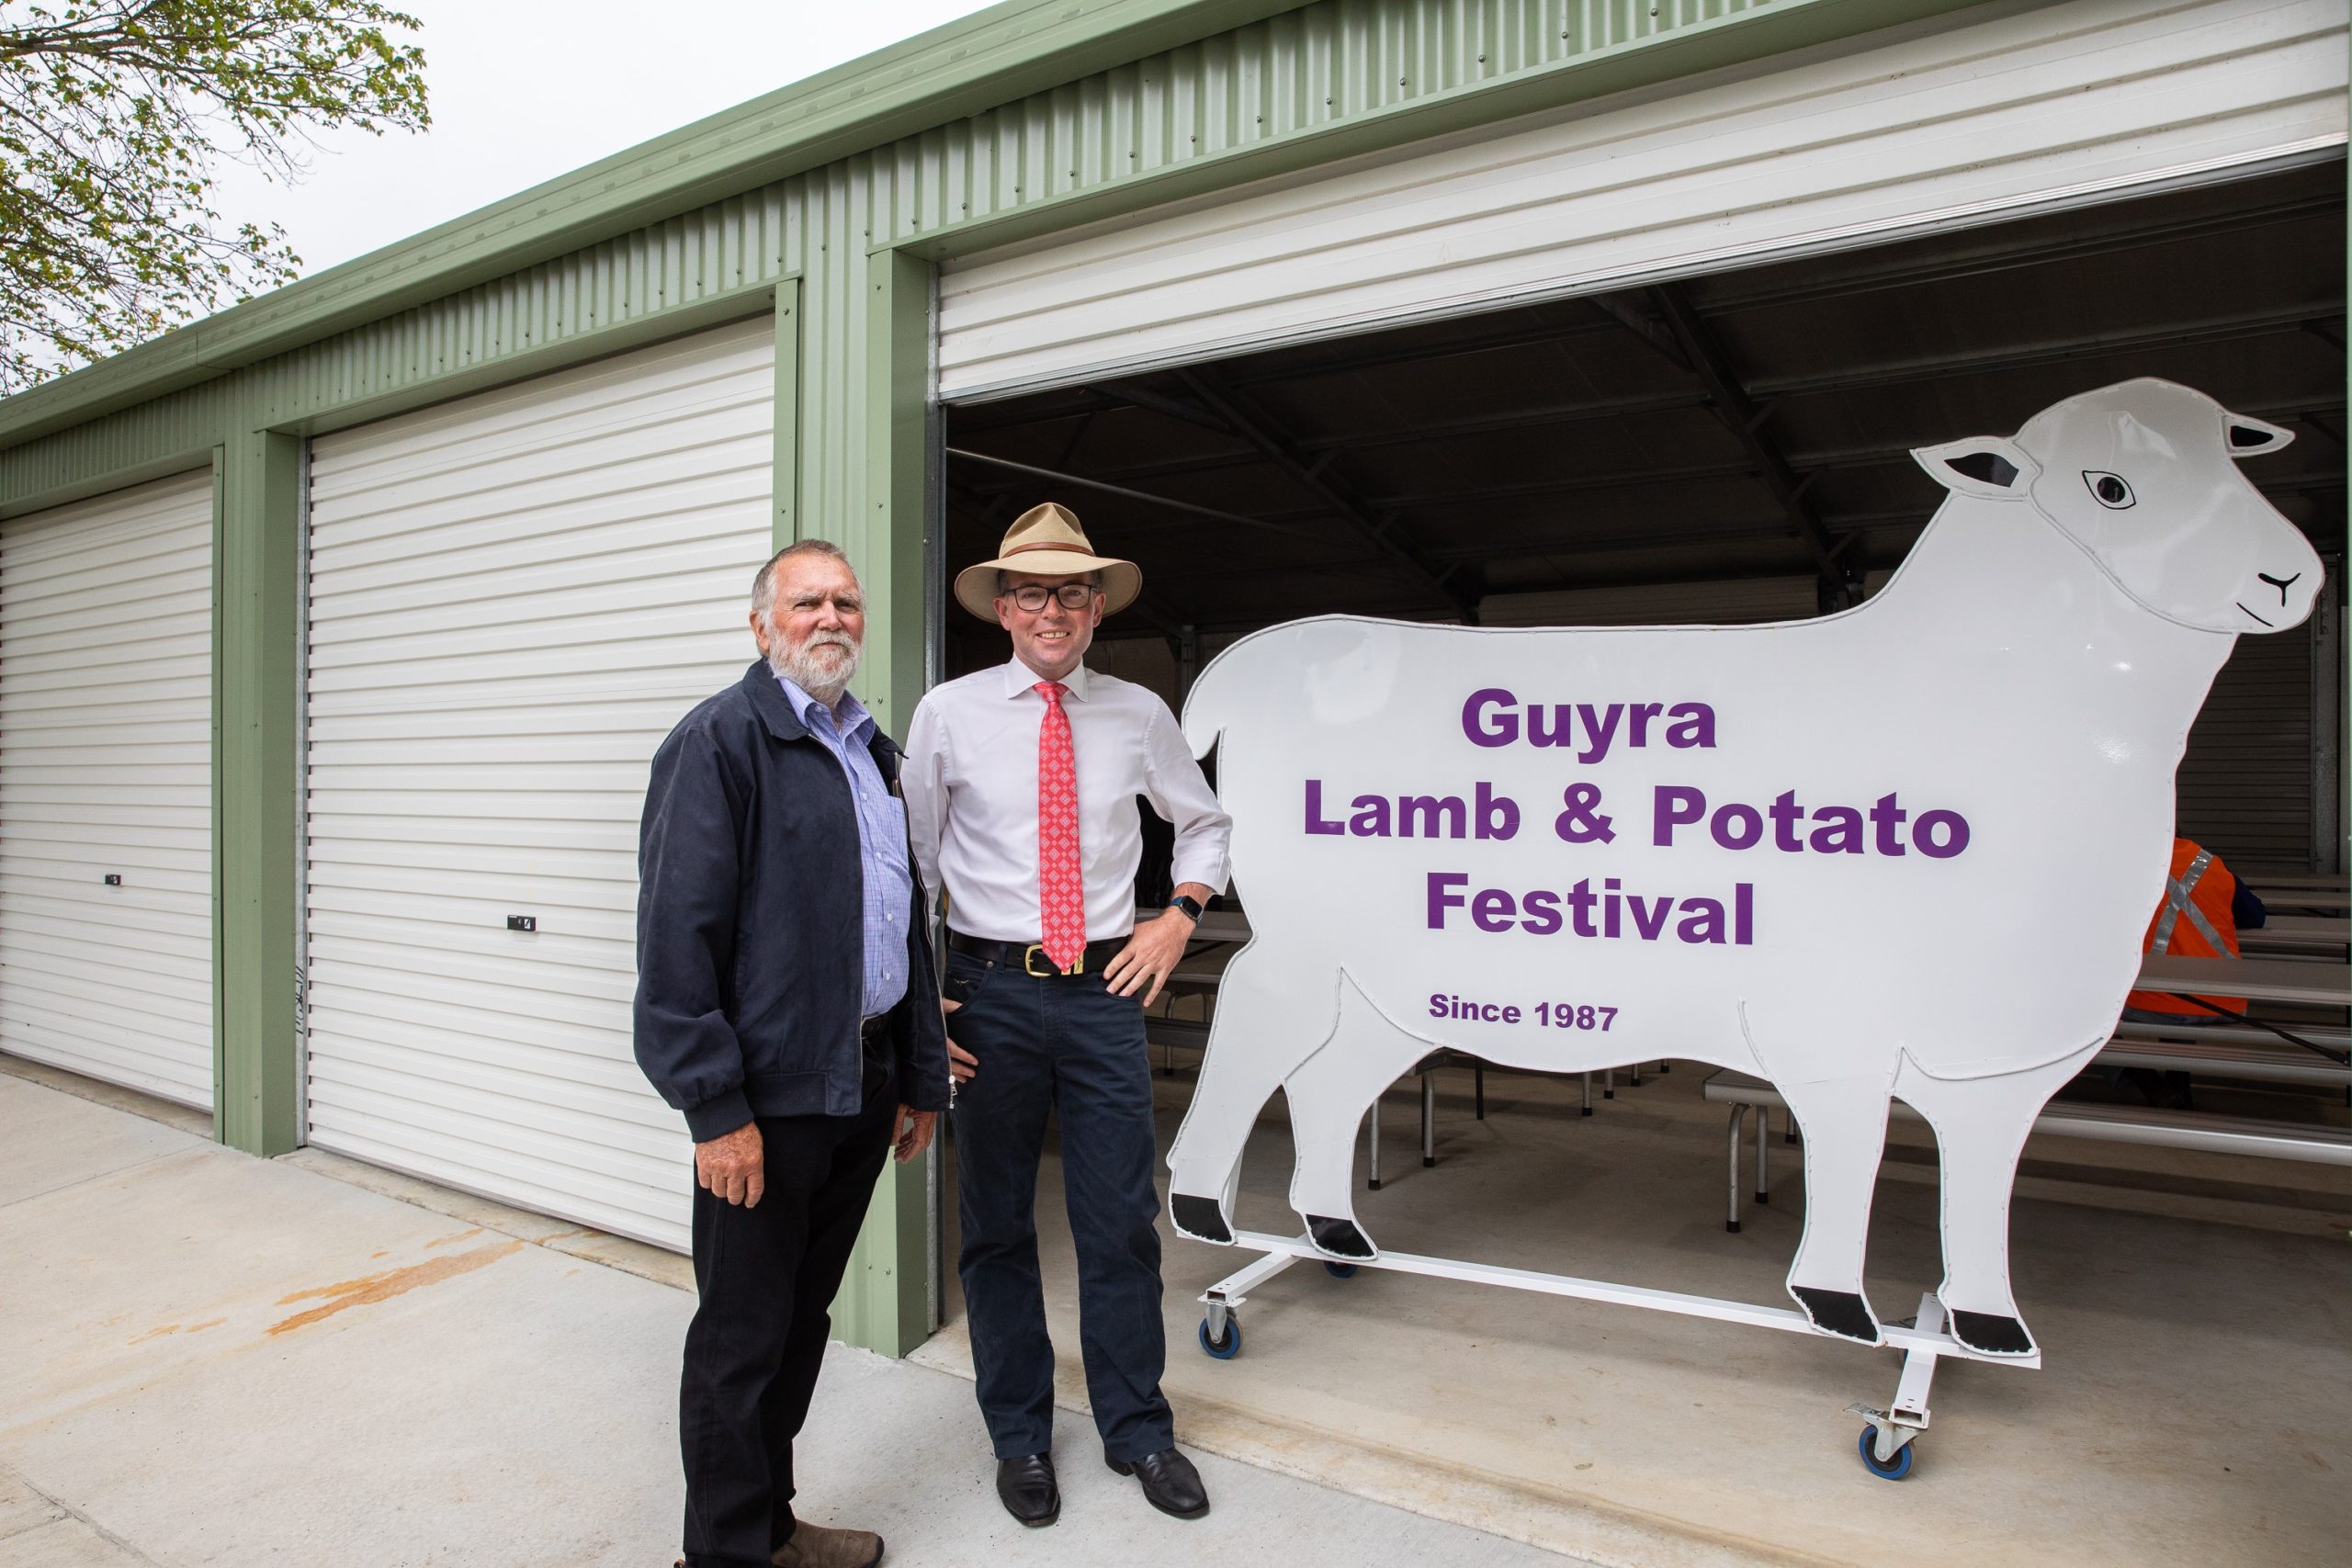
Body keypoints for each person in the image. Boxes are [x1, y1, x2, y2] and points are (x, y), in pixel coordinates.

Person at [902, 502, 1232, 1528]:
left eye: (1072, 592)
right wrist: (924, 1007)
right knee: (996, 1229)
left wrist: (1177, 918)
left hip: (1100, 995)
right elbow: (909, 868)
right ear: (1003, 608)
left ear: (1095, 609)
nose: (1054, 610)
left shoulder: (1137, 713)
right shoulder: (947, 713)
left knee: (1118, 1225)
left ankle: (1138, 1429)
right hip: (985, 993)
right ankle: (1019, 1435)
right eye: (1033, 592)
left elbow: (1205, 823)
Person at [635, 539, 948, 1568]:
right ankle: (723, 1555)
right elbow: (677, 944)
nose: (831, 619)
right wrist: (714, 1110)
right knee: (739, 1342)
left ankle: (770, 1528)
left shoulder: (872, 749)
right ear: (762, 625)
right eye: (807, 602)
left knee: (800, 1322)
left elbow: (900, 926)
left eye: (846, 603)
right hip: (765, 1105)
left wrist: (916, 1074)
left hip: (857, 1086)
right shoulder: (720, 742)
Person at [2112, 835, 2267, 1109]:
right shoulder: (2209, 863)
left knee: (2086, 1017)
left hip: (2157, 1002)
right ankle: (2178, 1086)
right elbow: (2255, 916)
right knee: (2182, 987)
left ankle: (2148, 1082)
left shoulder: (2127, 867)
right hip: (2221, 1002)